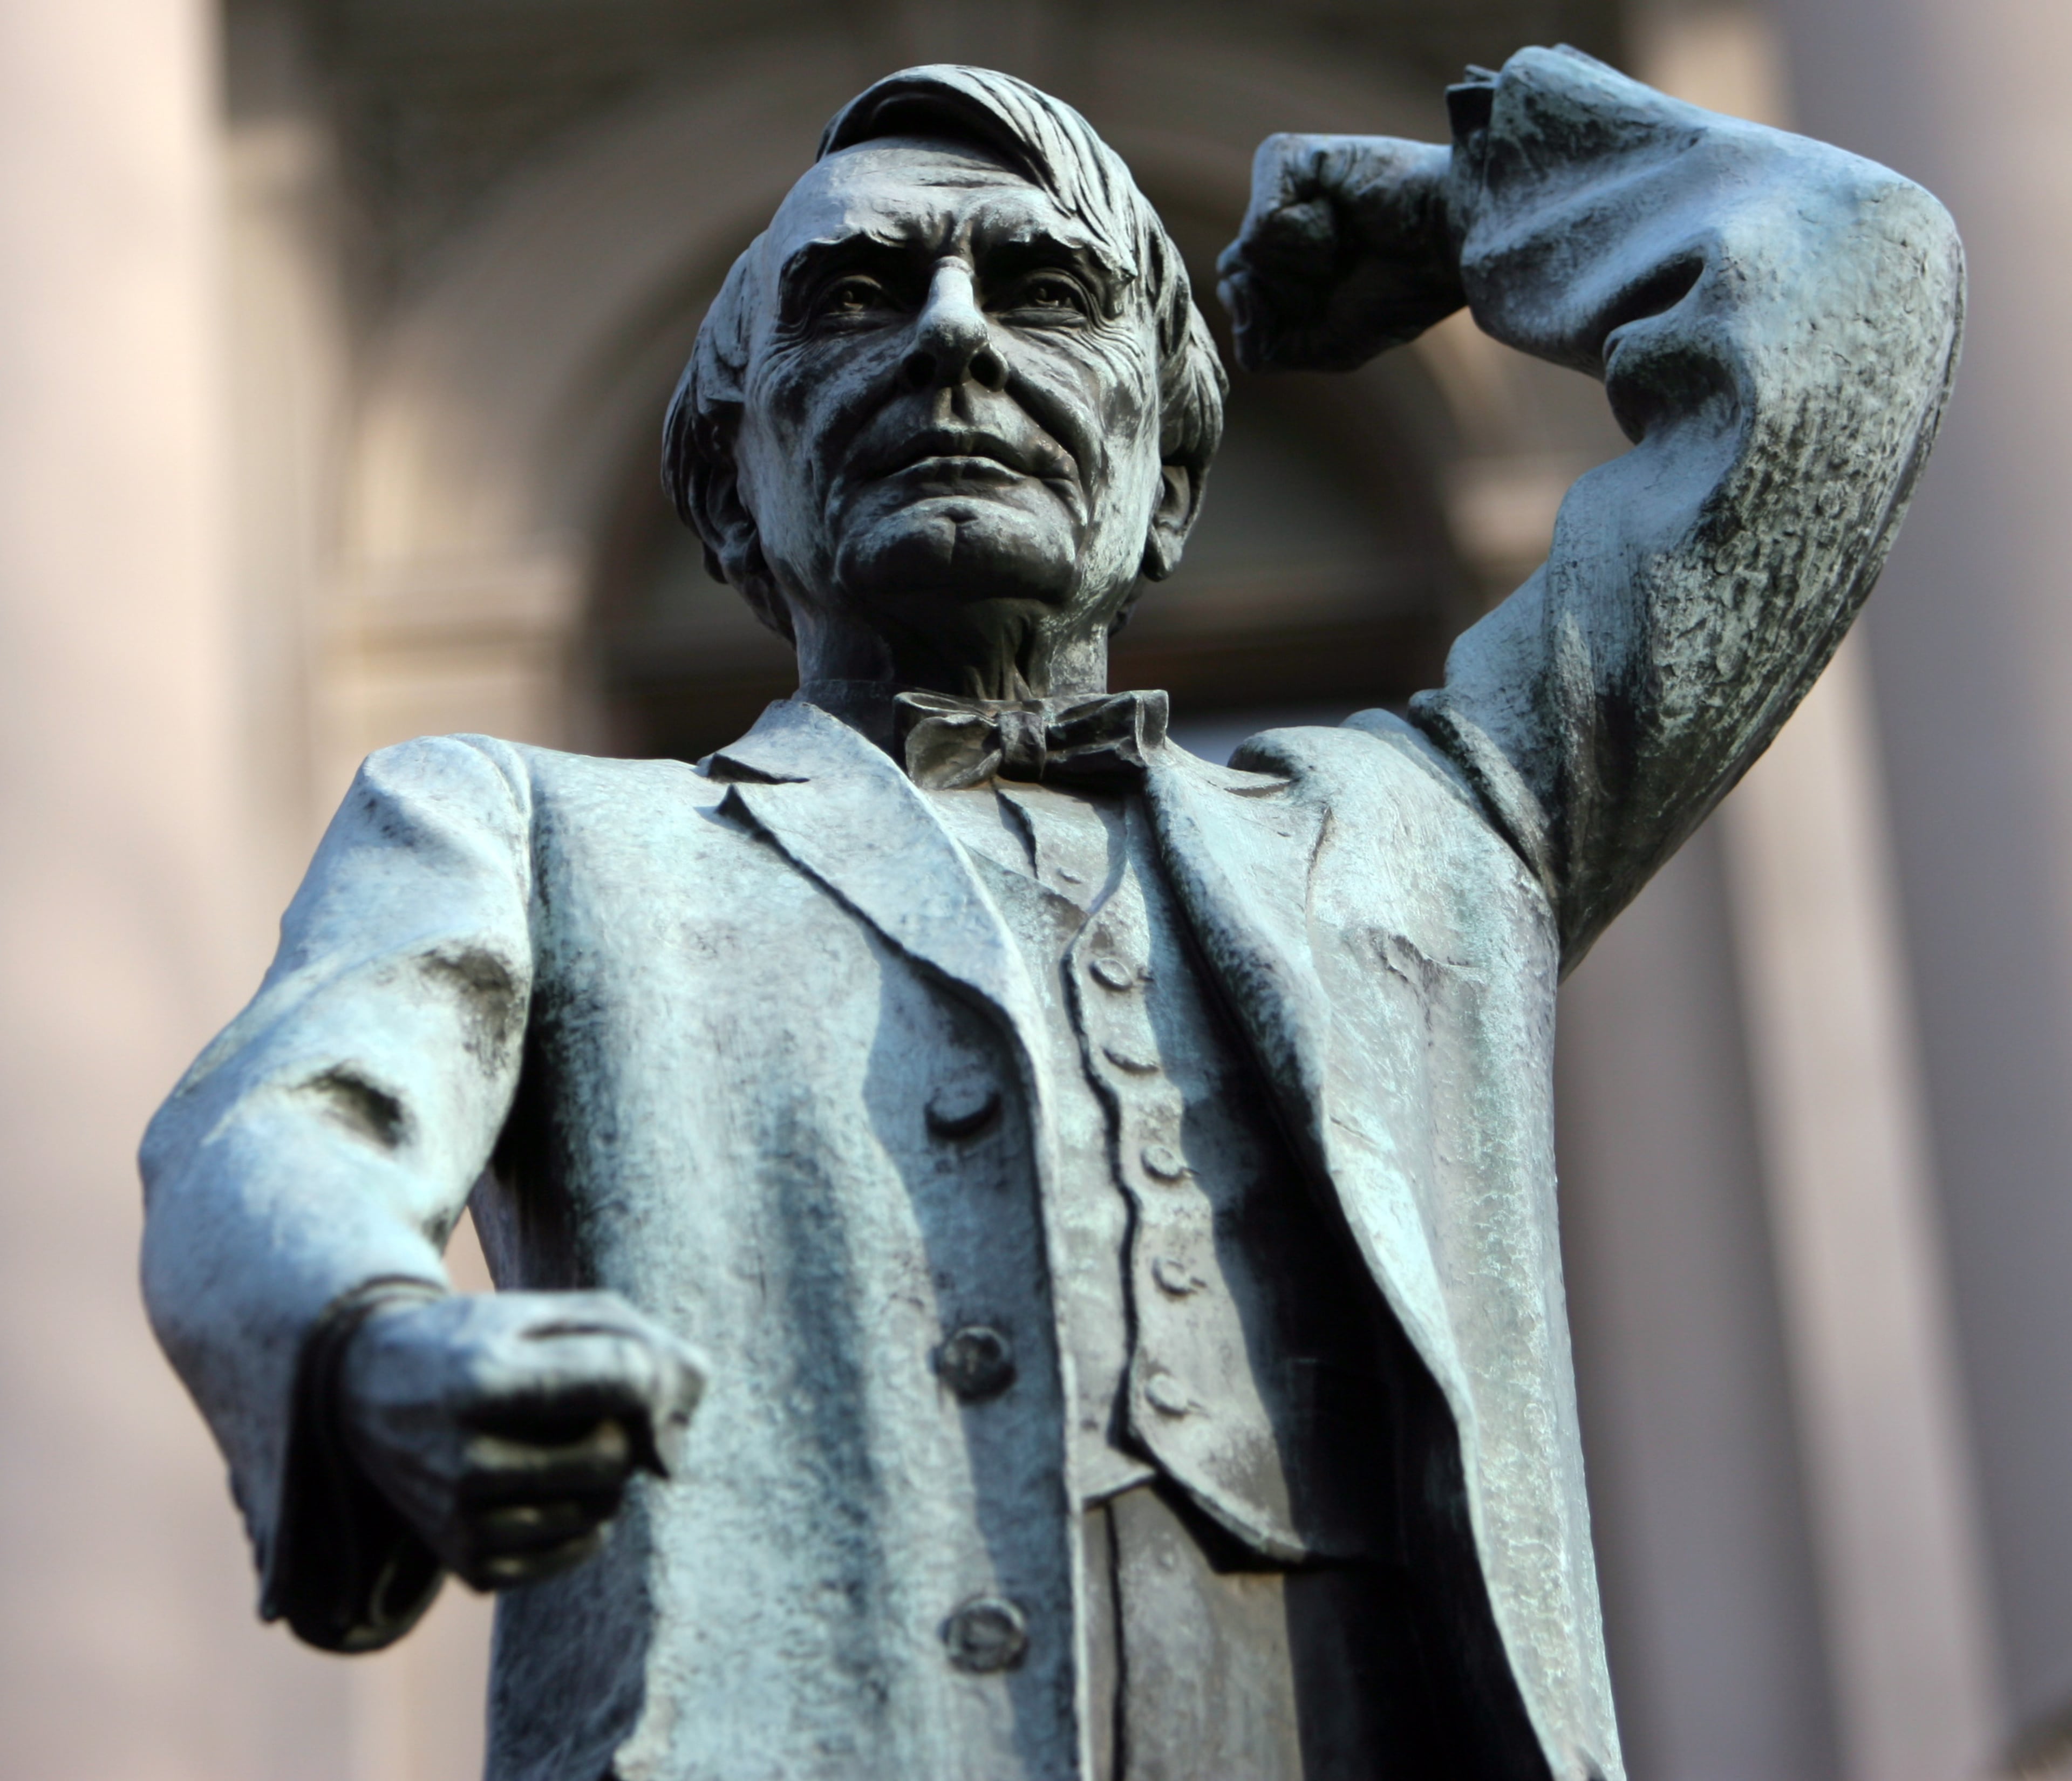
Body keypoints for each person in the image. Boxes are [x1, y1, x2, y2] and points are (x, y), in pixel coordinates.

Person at [140, 49, 1962, 1781]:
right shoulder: (524, 830)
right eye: (856, 295)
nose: (951, 336)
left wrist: (1471, 204)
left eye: (1043, 290)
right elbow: (274, 1133)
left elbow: (1852, 284)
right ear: (725, 478)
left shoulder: (1439, 830)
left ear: (1169, 479)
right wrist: (370, 1334)